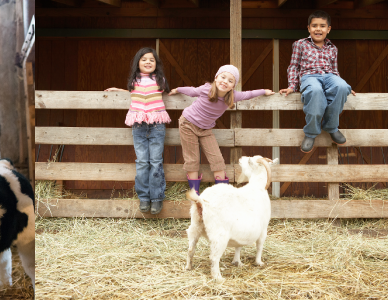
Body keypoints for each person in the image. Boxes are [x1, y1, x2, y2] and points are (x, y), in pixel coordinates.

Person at [171, 65, 274, 194]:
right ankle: (194, 194)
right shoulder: (206, 89)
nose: (225, 81)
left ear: (233, 86)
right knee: (192, 159)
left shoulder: (233, 96)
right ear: (216, 78)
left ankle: (222, 194)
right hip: (188, 124)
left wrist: (264, 91)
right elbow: (192, 91)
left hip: (206, 130)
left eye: (230, 81)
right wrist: (177, 89)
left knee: (217, 160)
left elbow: (249, 94)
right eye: (223, 77)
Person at [105, 47, 171, 214]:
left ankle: (156, 198)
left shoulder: (160, 80)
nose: (148, 62)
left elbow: (169, 93)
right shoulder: (134, 80)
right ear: (138, 63)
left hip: (156, 125)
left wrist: (184, 90)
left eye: (151, 59)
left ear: (156, 64)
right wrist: (117, 91)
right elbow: (132, 93)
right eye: (144, 59)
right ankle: (144, 197)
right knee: (142, 162)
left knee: (155, 162)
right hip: (139, 126)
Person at [279, 10, 356, 153]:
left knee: (342, 86)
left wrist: (344, 86)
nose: (318, 29)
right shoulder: (300, 44)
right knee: (315, 91)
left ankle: (331, 127)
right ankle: (311, 132)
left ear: (328, 29)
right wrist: (292, 85)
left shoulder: (333, 48)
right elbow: (294, 66)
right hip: (309, 76)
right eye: (314, 26)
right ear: (309, 28)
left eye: (322, 26)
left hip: (329, 76)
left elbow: (334, 70)